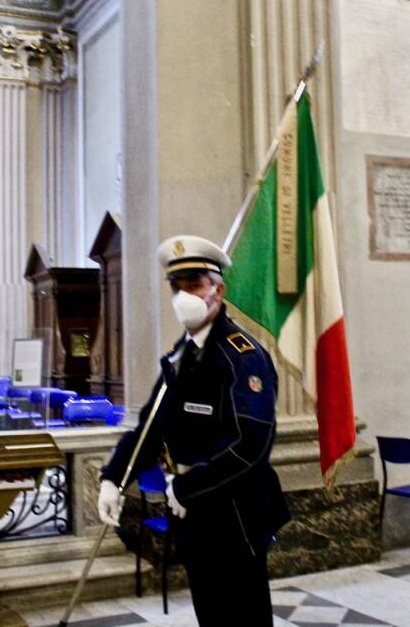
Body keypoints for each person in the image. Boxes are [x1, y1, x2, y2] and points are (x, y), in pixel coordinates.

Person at [98, 235, 290, 626]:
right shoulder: (180, 356)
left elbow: (250, 446)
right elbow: (150, 428)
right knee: (211, 614)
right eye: (177, 286)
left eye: (194, 284)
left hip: (235, 513)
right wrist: (113, 478)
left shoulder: (242, 356)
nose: (184, 294)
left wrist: (187, 487)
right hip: (193, 512)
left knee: (243, 617)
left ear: (217, 290)